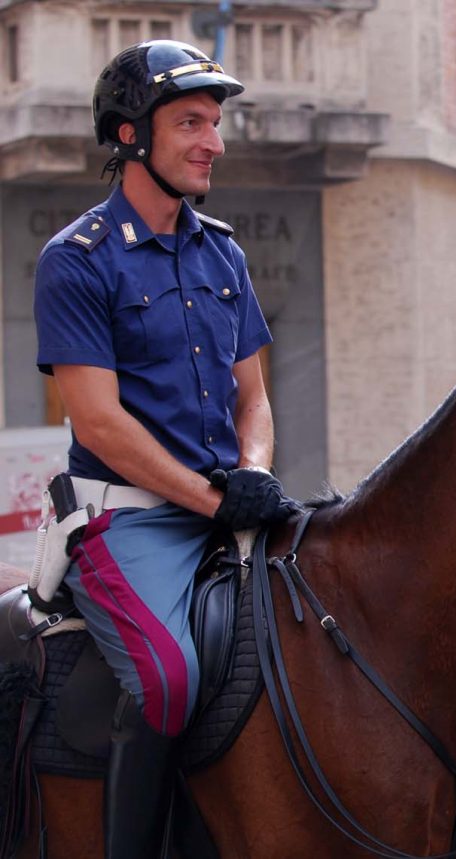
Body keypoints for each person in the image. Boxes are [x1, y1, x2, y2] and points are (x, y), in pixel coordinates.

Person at [33, 40, 296, 856]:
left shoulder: (225, 250)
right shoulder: (73, 261)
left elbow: (254, 396)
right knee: (169, 680)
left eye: (215, 123)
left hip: (230, 504)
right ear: (128, 136)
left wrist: (253, 473)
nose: (213, 141)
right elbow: (100, 422)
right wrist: (219, 499)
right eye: (190, 122)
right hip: (127, 523)